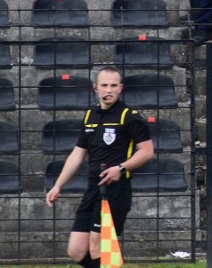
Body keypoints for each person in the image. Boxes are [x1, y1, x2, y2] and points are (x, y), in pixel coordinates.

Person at [45, 67, 155, 268]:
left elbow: (147, 151)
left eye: (113, 85)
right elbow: (78, 153)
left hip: (115, 189)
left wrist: (120, 168)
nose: (109, 90)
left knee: (99, 248)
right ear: (95, 88)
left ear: (120, 88)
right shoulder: (89, 115)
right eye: (104, 85)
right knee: (77, 251)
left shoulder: (129, 116)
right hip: (93, 188)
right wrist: (58, 185)